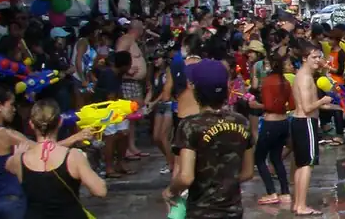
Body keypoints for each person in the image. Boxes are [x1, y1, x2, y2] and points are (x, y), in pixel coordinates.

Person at [163, 59, 255, 219]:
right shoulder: (242, 122)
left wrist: (170, 191)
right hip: (233, 211)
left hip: (201, 211)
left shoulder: (190, 125)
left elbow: (186, 177)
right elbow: (247, 172)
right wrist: (225, 184)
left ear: (193, 88)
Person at [6, 99, 107, 219]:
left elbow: (8, 165)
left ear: (31, 124)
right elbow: (100, 191)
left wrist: (19, 153)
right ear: (60, 122)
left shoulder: (18, 160)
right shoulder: (74, 157)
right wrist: (85, 164)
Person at [290, 43, 340, 216]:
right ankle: (302, 205)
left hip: (301, 121)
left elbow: (313, 105)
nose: (318, 61)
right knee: (307, 165)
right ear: (304, 58)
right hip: (305, 122)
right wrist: (323, 100)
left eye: (319, 57)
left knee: (301, 164)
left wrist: (338, 107)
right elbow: (306, 107)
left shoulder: (305, 75)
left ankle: (298, 204)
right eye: (314, 57)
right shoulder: (304, 77)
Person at [255, 54, 294, 205]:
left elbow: (269, 105)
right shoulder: (285, 82)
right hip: (283, 122)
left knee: (259, 158)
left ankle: (271, 192)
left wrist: (258, 106)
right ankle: (285, 192)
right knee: (276, 158)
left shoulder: (268, 82)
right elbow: (292, 105)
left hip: (271, 123)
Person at [115, 20, 148, 159]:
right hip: (127, 82)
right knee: (127, 116)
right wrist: (127, 70)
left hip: (134, 83)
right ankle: (125, 149)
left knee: (134, 116)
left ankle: (132, 146)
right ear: (138, 29)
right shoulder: (126, 39)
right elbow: (118, 56)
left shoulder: (134, 42)